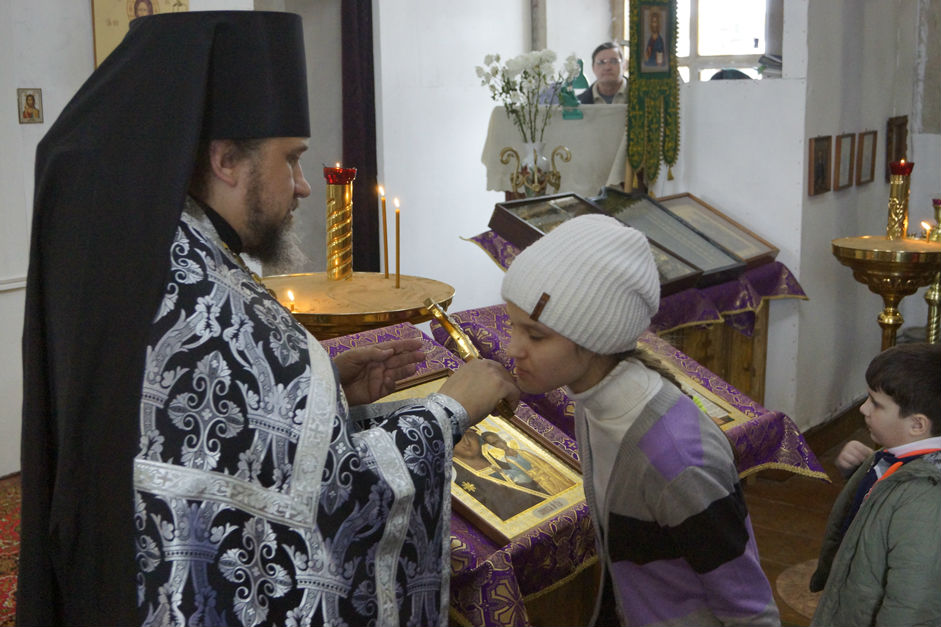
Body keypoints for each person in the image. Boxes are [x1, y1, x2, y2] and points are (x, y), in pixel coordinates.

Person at [17, 11, 518, 626]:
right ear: (227, 160)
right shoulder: (207, 295)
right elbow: (340, 499)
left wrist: (326, 393)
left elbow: (224, 437)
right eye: (292, 159)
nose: (303, 185)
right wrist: (451, 410)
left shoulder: (156, 259)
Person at [501, 214, 780, 626]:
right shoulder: (596, 403)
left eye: (535, 335)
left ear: (595, 338)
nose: (513, 348)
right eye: (512, 326)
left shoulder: (675, 456)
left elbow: (751, 611)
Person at [809, 342, 941, 627]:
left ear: (917, 425)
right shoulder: (894, 458)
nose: (863, 408)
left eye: (876, 403)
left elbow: (912, 603)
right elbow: (882, 509)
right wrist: (859, 471)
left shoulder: (927, 498)